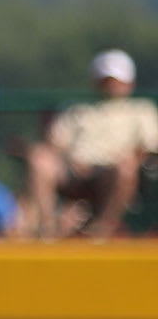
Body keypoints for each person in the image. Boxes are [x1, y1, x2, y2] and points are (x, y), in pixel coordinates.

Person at [25, 49, 158, 239]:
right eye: (107, 79)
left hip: (112, 172)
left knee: (125, 168)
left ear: (130, 82)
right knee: (40, 158)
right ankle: (47, 227)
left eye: (117, 80)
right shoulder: (77, 107)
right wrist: (73, 163)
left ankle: (101, 230)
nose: (112, 85)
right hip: (72, 170)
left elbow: (147, 149)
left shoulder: (142, 111)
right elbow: (56, 143)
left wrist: (118, 162)